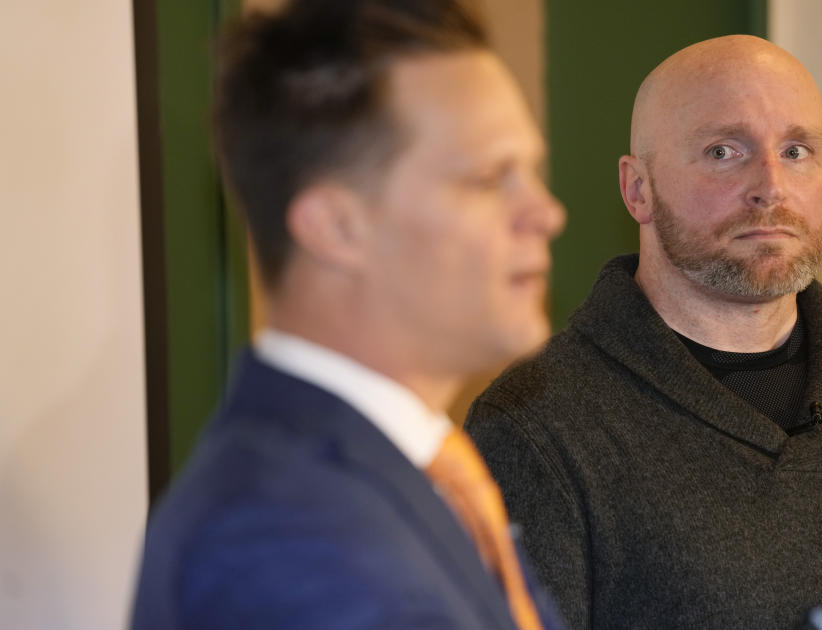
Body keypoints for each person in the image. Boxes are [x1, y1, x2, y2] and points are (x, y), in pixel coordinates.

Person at [465, 34, 822, 630]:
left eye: (797, 151)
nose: (771, 186)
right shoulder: (535, 427)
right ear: (637, 189)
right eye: (725, 151)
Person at [131, 1, 567, 628]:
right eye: (487, 177)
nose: (546, 212)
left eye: (530, 170)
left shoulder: (419, 478)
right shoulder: (277, 540)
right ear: (337, 227)